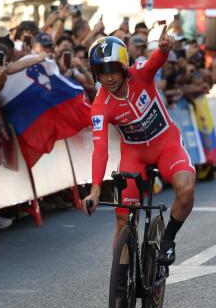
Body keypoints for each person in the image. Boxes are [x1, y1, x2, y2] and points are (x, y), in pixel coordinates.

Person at [81, 26, 196, 271]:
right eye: (102, 72)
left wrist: (164, 50)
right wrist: (94, 191)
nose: (109, 78)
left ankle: (167, 240)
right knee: (123, 219)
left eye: (113, 70)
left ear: (124, 67)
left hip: (166, 144)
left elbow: (155, 61)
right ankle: (122, 286)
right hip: (134, 156)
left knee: (186, 190)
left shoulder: (139, 75)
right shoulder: (100, 105)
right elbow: (100, 148)